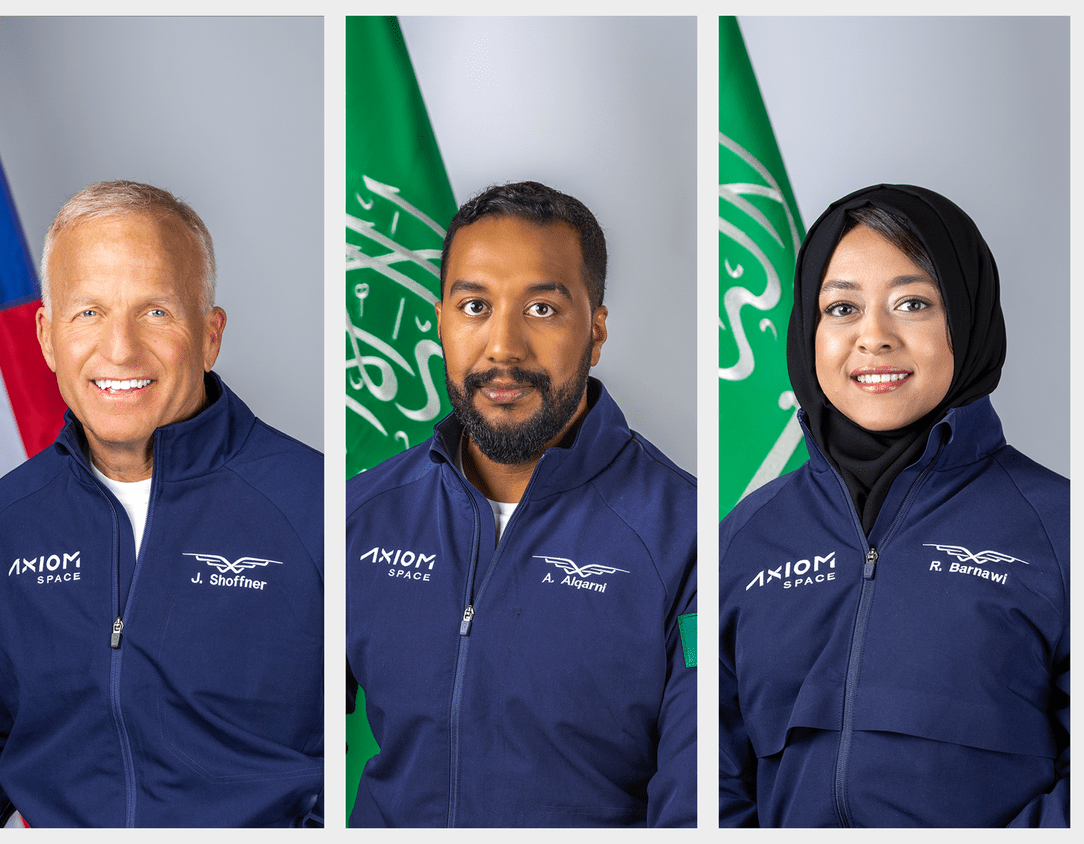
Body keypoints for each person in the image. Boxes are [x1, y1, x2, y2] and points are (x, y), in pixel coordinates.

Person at [346, 181, 697, 827]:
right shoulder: (358, 515)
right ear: (441, 323)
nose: (502, 346)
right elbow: (277, 741)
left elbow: (699, 801)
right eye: (474, 305)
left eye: (541, 310)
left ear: (595, 332)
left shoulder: (689, 540)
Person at [0, 181, 323, 828]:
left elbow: (406, 734)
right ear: (47, 338)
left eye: (156, 311)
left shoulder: (318, 508)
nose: (121, 349)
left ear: (211, 334)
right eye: (88, 313)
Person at [719, 184, 1069, 828]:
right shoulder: (740, 538)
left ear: (967, 319)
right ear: (808, 329)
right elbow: (707, 762)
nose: (873, 337)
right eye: (842, 307)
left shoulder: (1059, 527)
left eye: (912, 303)